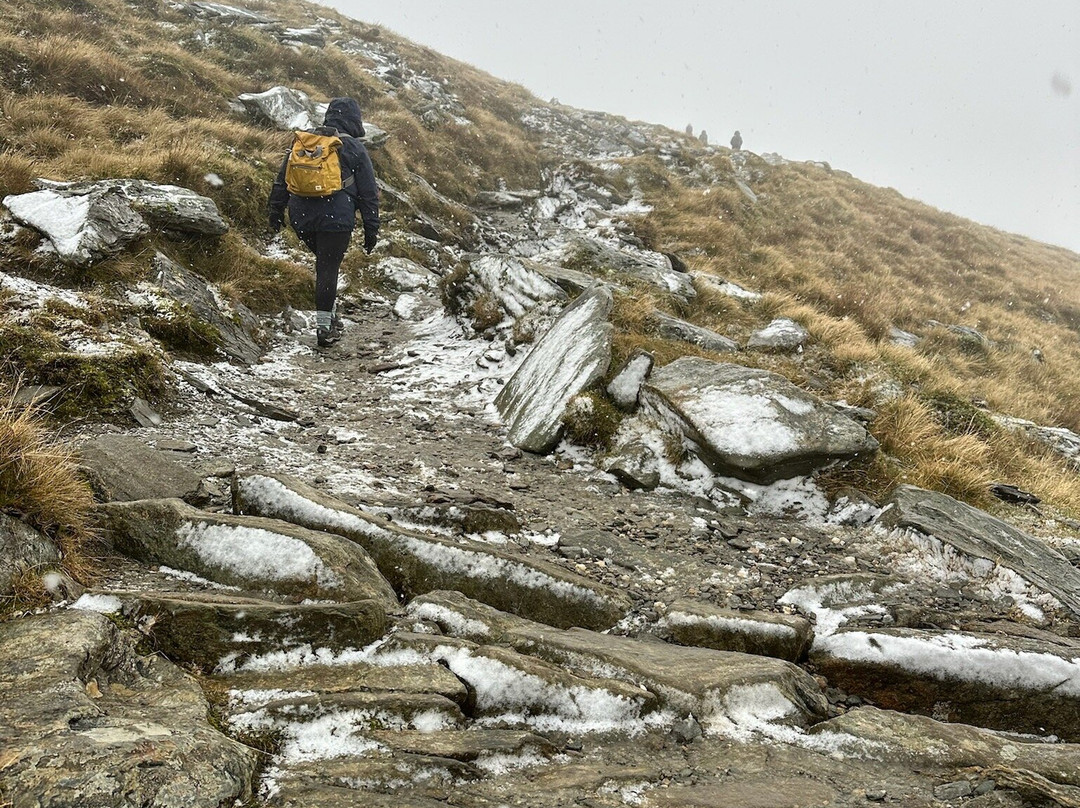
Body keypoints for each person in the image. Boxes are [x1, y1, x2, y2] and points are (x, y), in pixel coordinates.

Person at [268, 97, 380, 348]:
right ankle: (323, 328)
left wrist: (275, 212)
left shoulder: (306, 142)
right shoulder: (352, 147)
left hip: (301, 216)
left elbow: (281, 181)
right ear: (354, 119)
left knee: (325, 265)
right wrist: (371, 229)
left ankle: (329, 316)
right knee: (327, 269)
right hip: (335, 218)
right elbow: (369, 194)